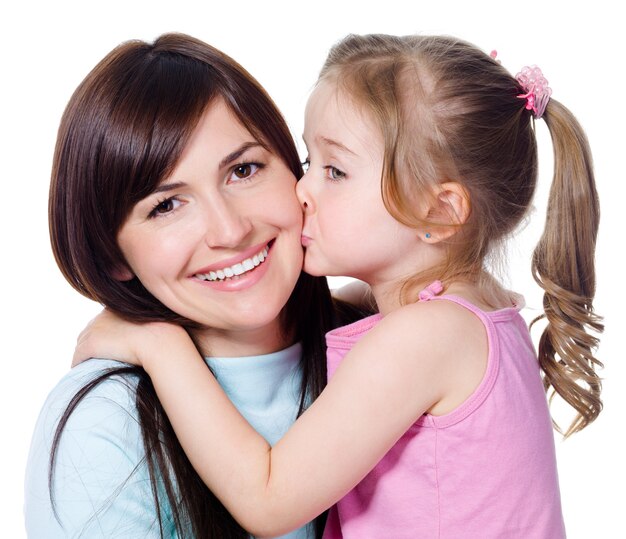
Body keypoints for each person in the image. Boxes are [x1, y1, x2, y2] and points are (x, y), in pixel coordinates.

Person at [74, 34, 603, 538]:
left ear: (438, 212)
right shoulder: (471, 306)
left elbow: (268, 498)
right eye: (308, 162)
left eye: (335, 172)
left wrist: (159, 344)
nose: (300, 190)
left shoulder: (423, 339)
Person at [23, 32, 367, 538]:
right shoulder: (105, 424)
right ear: (113, 255)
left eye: (244, 170)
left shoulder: (387, 349)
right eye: (166, 206)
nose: (230, 231)